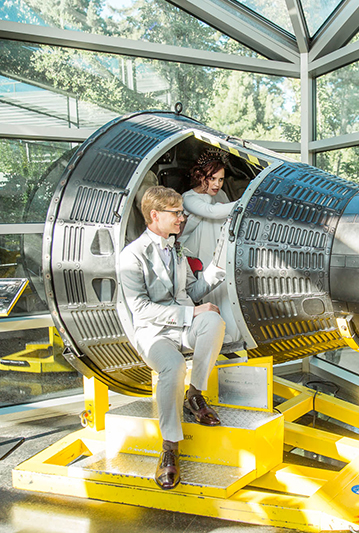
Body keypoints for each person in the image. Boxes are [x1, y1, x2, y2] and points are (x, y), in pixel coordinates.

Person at [118, 186, 226, 490]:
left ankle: (195, 394)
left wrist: (214, 273)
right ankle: (169, 448)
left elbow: (188, 294)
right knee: (174, 367)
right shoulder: (132, 255)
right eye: (175, 212)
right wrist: (190, 314)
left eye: (181, 211)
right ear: (155, 215)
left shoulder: (177, 248)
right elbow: (140, 308)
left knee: (214, 322)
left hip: (181, 326)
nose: (182, 217)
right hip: (152, 333)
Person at [179, 148, 241, 342]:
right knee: (211, 290)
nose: (217, 184)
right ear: (200, 176)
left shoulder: (220, 195)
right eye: (212, 178)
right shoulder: (188, 198)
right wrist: (246, 201)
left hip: (218, 247)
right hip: (197, 252)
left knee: (226, 291)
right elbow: (212, 212)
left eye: (221, 179)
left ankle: (231, 332)